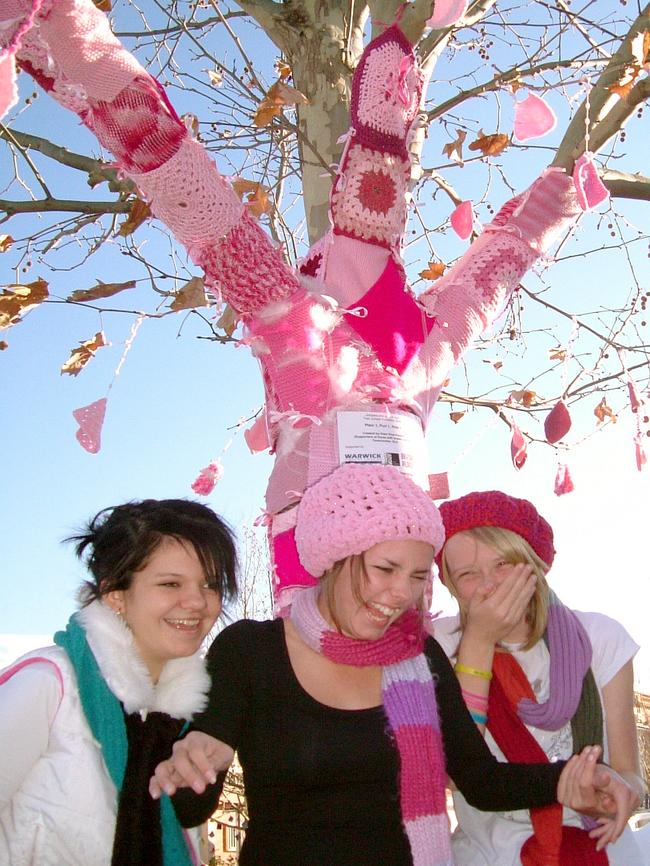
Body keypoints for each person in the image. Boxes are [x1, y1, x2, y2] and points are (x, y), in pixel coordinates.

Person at [2, 3, 593, 608]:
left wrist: (75, 37)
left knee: (350, 661)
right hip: (365, 558)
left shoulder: (300, 325)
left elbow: (183, 182)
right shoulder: (412, 346)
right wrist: (556, 204)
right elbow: (491, 272)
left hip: (337, 552)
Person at [149, 464, 636, 866]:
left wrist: (571, 779)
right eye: (386, 569)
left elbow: (480, 779)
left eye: (418, 576)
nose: (401, 594)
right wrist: (189, 759)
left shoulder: (421, 658)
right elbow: (192, 804)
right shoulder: (250, 651)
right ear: (336, 557)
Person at [0, 498, 238, 866]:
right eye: (170, 583)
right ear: (115, 594)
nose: (197, 602)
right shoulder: (51, 684)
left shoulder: (183, 726)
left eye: (209, 584)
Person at [432, 489, 646, 866]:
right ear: (450, 585)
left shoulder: (601, 637)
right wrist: (478, 641)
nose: (489, 585)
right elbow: (457, 773)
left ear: (533, 563)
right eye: (467, 574)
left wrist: (614, 796)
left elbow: (631, 775)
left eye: (503, 564)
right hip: (487, 854)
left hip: (602, 847)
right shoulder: (438, 643)